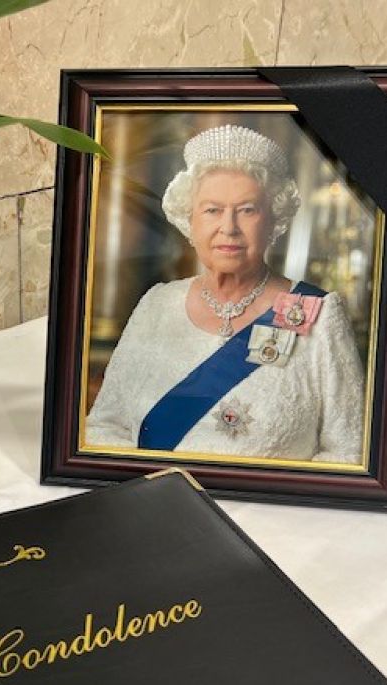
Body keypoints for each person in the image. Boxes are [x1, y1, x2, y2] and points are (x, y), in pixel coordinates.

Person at [86, 124, 365, 463]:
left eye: (247, 210)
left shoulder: (316, 314)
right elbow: (104, 426)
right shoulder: (155, 304)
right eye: (212, 210)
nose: (228, 228)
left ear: (273, 220)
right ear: (191, 220)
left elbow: (347, 451)